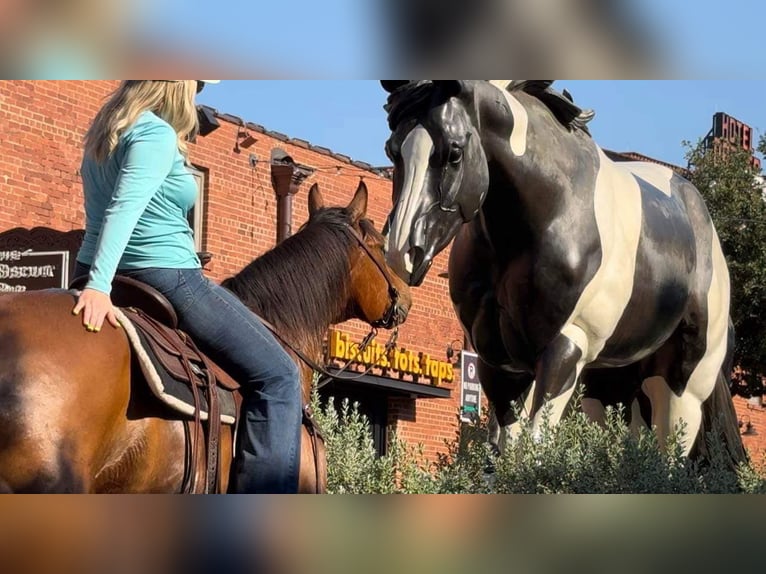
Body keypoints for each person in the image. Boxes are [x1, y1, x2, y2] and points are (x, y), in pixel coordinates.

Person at [72, 80, 302, 494]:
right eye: (195, 84)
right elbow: (126, 206)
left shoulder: (103, 135)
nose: (197, 94)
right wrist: (99, 287)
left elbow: (99, 213)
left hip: (95, 268)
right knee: (280, 376)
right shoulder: (155, 134)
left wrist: (92, 277)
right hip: (167, 275)